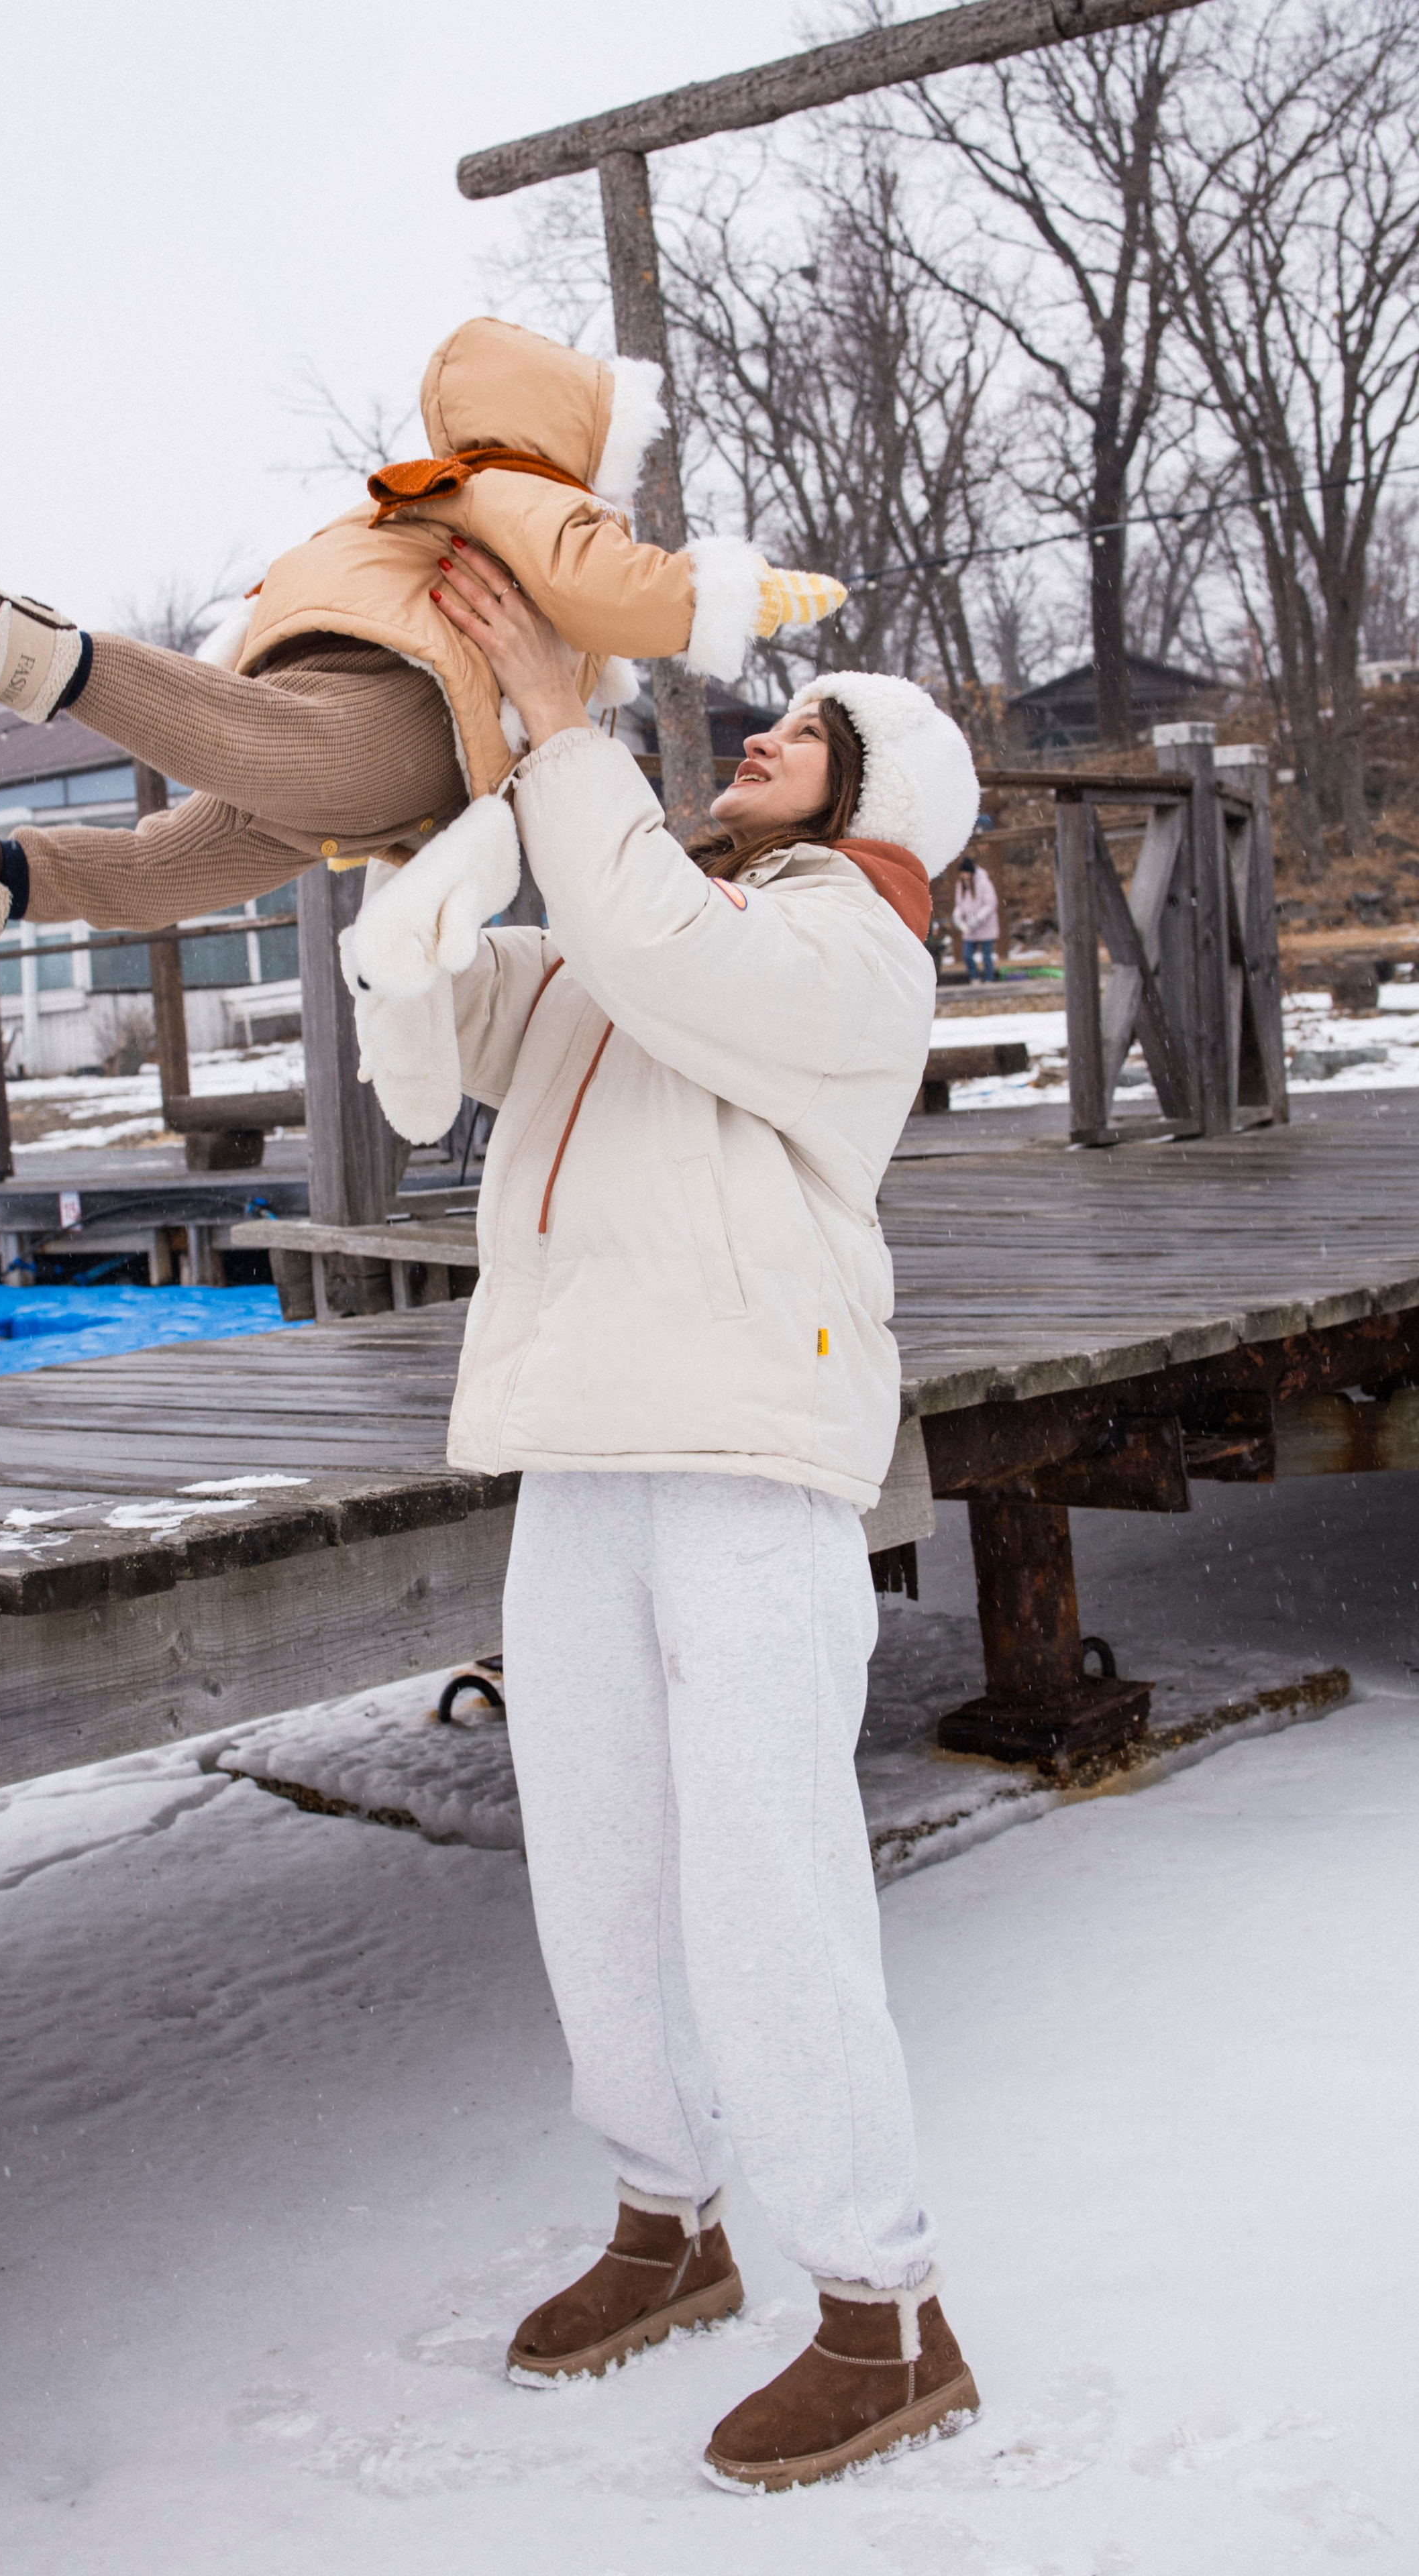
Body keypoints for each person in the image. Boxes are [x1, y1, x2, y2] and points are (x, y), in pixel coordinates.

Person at [370, 537, 983, 2493]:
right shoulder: (653, 920)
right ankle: (666, 2211)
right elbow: (463, 1032)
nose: (765, 734)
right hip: (582, 1443)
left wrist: (567, 725)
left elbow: (653, 949)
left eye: (810, 728)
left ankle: (884, 2310)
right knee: (602, 1865)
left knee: (763, 1878)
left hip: (742, 1453)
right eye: (772, 712)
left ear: (879, 795)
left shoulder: (849, 954)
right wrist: (422, 867)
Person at [0, 317, 846, 1022]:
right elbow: (612, 588)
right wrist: (734, 594)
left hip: (349, 732)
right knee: (253, 742)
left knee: (158, 874)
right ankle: (8, 643)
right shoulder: (524, 488)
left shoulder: (428, 493)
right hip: (399, 710)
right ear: (582, 440)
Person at [952, 851, 1000, 981]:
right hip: (970, 928)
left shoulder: (984, 884)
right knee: (967, 955)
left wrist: (978, 919)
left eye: (966, 873)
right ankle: (975, 978)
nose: (964, 876)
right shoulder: (961, 885)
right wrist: (957, 917)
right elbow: (960, 905)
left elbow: (991, 904)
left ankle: (989, 979)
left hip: (986, 926)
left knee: (986, 956)